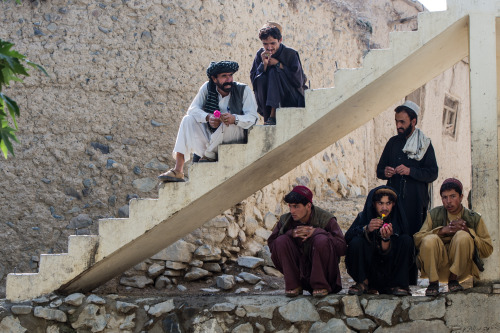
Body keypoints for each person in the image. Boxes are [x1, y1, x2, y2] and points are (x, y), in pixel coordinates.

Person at [158, 61, 258, 182]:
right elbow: (192, 110)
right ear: (214, 79)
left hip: (233, 137)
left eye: (230, 75)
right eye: (224, 76)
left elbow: (252, 117)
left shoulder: (243, 90)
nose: (229, 79)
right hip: (211, 140)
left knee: (228, 122)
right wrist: (208, 117)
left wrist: (235, 118)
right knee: (187, 119)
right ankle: (178, 170)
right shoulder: (207, 88)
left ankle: (208, 156)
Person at [414, 178, 493, 296]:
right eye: (444, 197)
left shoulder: (473, 218)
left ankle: (453, 279)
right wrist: (441, 231)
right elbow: (417, 239)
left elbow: (487, 250)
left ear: (461, 197)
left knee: (463, 236)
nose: (448, 201)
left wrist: (468, 231)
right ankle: (433, 283)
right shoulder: (434, 214)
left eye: (453, 196)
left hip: (462, 271)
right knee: (429, 239)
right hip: (437, 267)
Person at [268, 186, 346, 297]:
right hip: (299, 272)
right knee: (281, 241)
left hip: (324, 275)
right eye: (290, 206)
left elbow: (342, 248)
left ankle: (320, 285)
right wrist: (291, 234)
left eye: (296, 207)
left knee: (321, 240)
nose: (292, 211)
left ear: (308, 206)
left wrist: (317, 232)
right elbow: (272, 245)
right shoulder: (285, 220)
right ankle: (294, 285)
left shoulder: (326, 219)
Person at [376, 100, 439, 236]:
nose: (398, 126)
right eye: (396, 122)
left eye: (402, 122)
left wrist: (410, 171)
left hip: (415, 204)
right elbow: (379, 170)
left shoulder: (424, 144)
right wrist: (385, 172)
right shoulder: (392, 143)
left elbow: (432, 173)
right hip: (393, 201)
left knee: (412, 239)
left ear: (413, 121)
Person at [345, 186, 414, 296]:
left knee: (406, 240)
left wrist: (386, 238)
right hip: (370, 270)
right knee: (356, 242)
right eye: (380, 203)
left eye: (388, 203)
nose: (384, 208)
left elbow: (402, 251)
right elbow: (347, 237)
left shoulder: (398, 220)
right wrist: (366, 229)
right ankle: (363, 283)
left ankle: (397, 285)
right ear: (373, 204)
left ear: (394, 204)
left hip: (390, 273)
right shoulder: (364, 217)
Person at [250, 22, 307, 125]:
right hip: (266, 99)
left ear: (280, 40)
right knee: (261, 77)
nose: (269, 47)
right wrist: (264, 65)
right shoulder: (260, 54)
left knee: (274, 72)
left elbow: (298, 81)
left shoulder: (290, 54)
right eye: (265, 44)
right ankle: (268, 116)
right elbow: (254, 81)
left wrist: (279, 65)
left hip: (292, 97)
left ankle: (273, 115)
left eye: (272, 43)